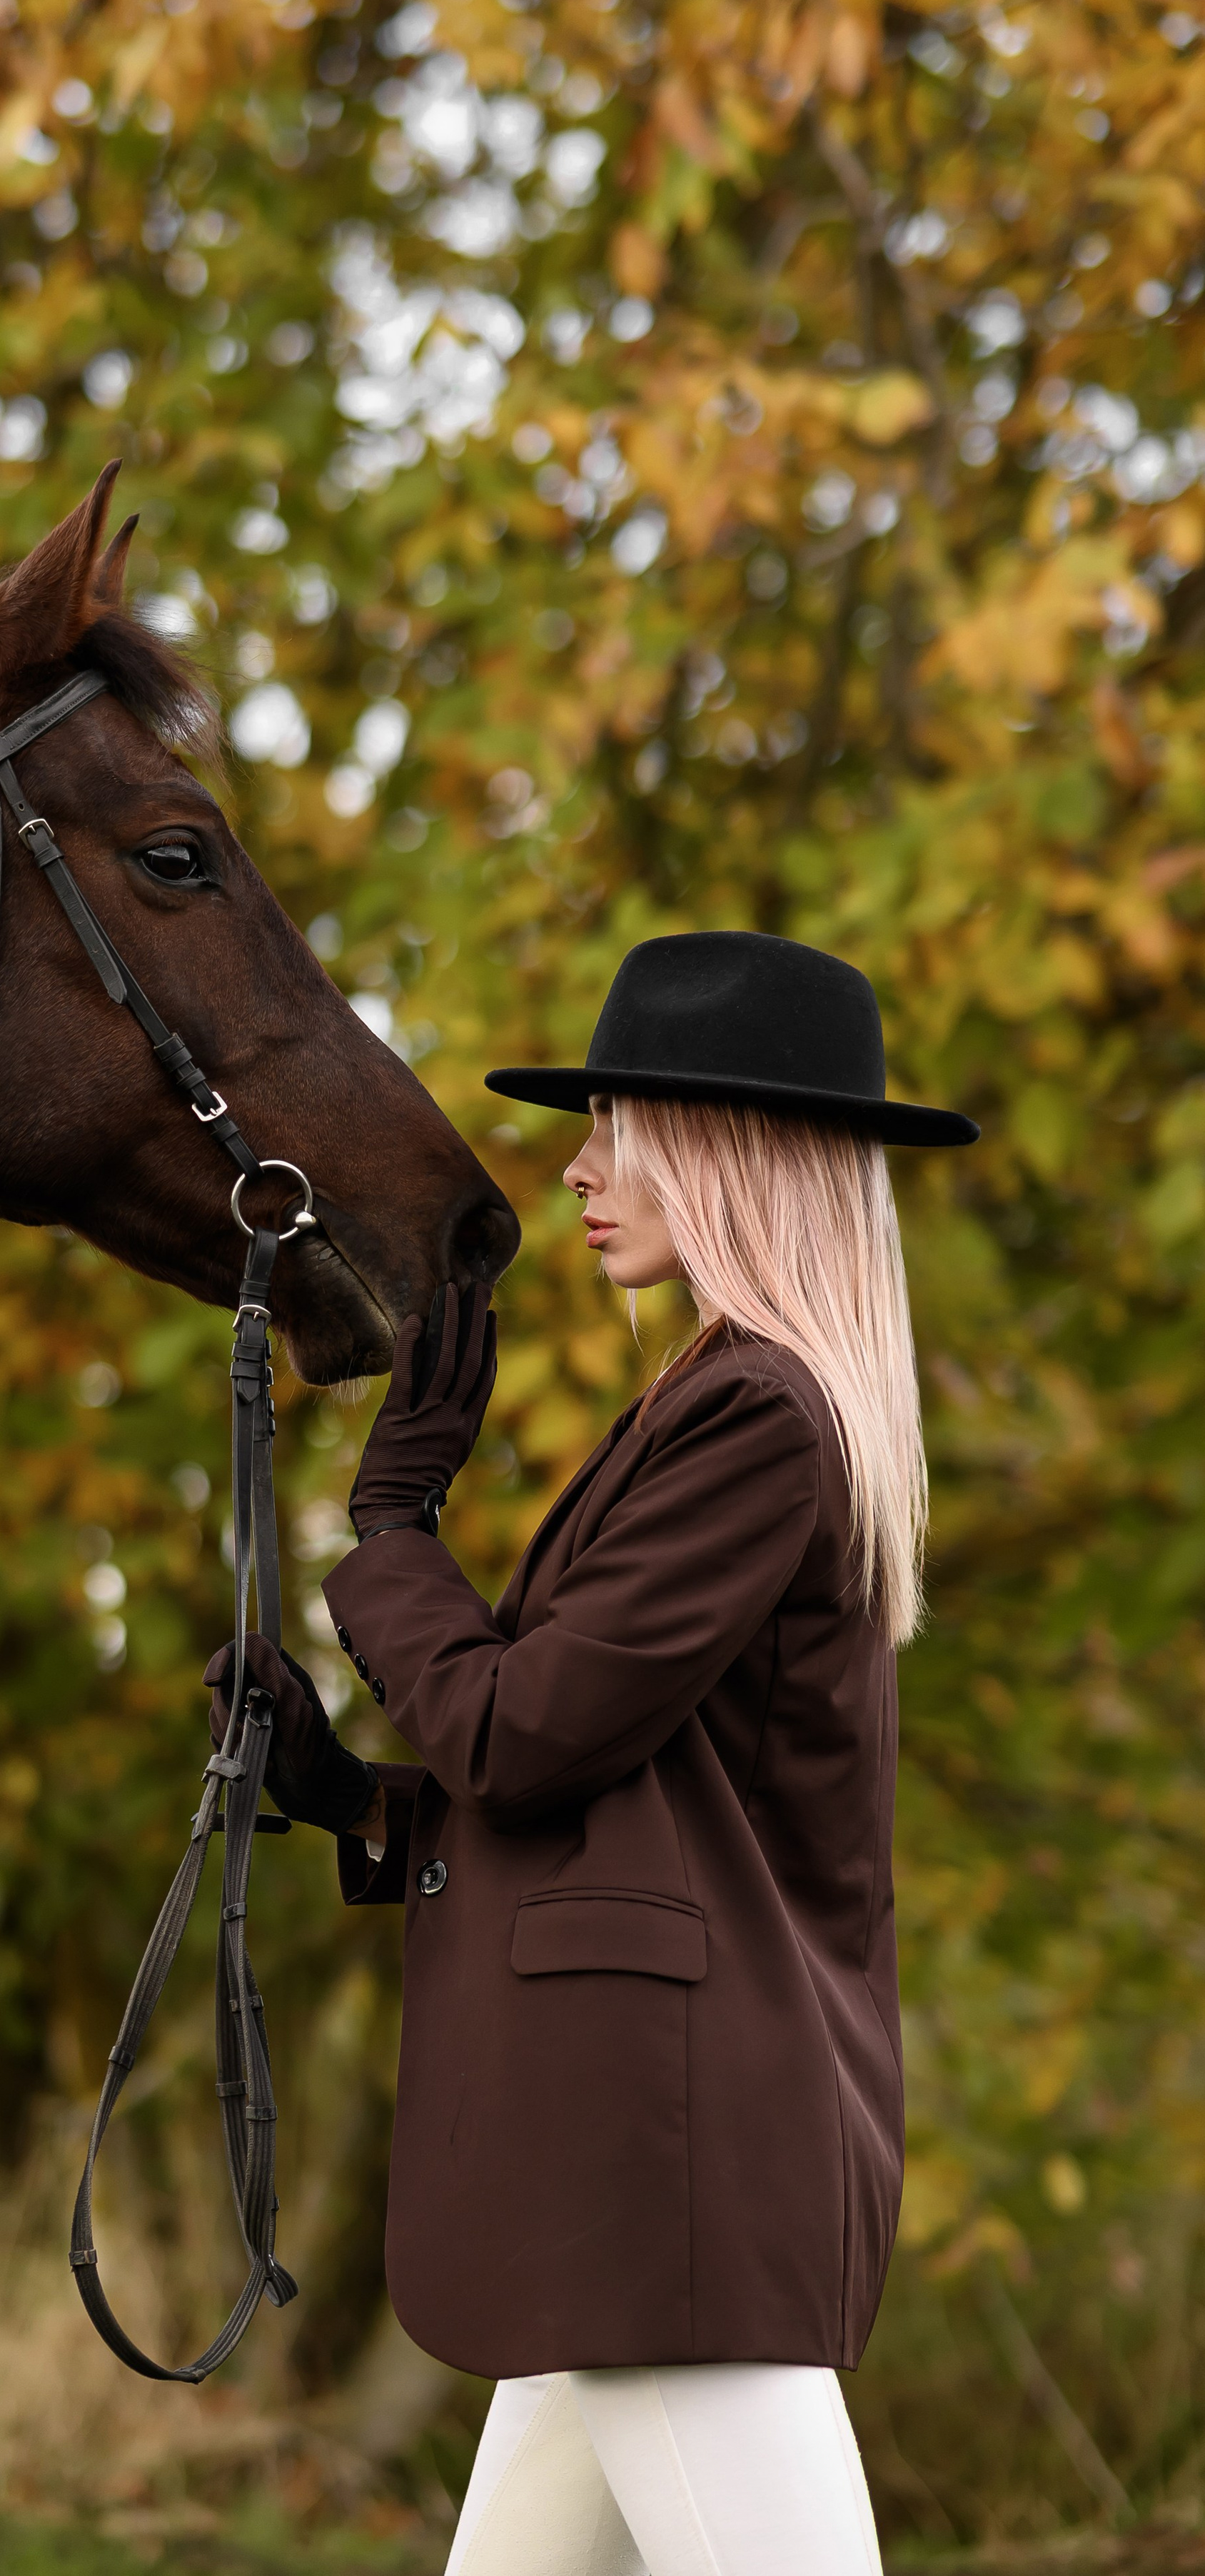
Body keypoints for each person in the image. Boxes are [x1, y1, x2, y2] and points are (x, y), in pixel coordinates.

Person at [206, 930, 979, 2576]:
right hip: (627, 2170)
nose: (572, 1169)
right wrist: (345, 1794)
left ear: (720, 1148)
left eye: (612, 1126)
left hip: (667, 2171)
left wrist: (391, 1526)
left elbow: (518, 1731)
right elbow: (628, 1804)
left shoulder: (756, 1419)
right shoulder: (719, 1402)